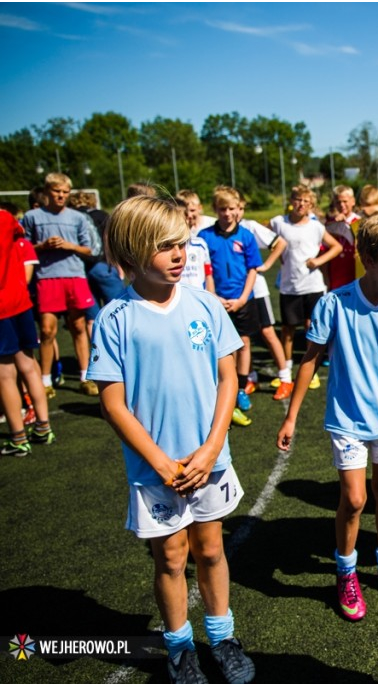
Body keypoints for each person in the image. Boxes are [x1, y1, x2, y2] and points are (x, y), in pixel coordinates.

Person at [88, 196, 255, 684]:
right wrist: (162, 463)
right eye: (166, 247)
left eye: (182, 243)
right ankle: (180, 647)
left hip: (210, 461)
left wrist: (208, 450)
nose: (180, 254)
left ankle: (222, 638)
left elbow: (229, 380)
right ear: (134, 251)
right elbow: (113, 403)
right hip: (155, 469)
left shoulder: (204, 303)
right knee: (171, 557)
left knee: (210, 550)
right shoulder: (115, 317)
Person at [276, 212, 378, 622]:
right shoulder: (334, 304)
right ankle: (345, 571)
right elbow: (309, 361)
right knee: (355, 499)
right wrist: (291, 418)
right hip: (346, 420)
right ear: (370, 258)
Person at [20, 173, 98, 398]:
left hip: (74, 276)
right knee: (46, 330)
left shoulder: (77, 217)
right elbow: (23, 248)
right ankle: (45, 380)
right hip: (47, 277)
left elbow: (88, 249)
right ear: (47, 192)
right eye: (57, 192)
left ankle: (86, 377)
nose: (61, 196)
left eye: (65, 192)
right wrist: (42, 246)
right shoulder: (32, 216)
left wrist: (69, 246)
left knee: (78, 327)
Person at [198, 187, 263, 427]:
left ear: (238, 209)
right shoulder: (205, 236)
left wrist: (244, 298)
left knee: (244, 343)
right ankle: (226, 386)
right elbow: (207, 271)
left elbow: (252, 269)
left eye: (231, 208)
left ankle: (242, 387)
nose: (227, 213)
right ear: (215, 210)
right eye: (222, 209)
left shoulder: (245, 236)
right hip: (217, 301)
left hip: (242, 299)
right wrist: (213, 295)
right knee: (222, 348)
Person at [270, 185, 342, 396]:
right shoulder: (278, 223)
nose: (301, 204)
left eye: (305, 201)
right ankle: (286, 371)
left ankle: (310, 370)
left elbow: (336, 246)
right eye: (297, 199)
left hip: (312, 285)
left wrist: (319, 260)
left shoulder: (316, 226)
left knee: (312, 328)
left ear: (311, 204)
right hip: (289, 286)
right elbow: (265, 240)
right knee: (288, 329)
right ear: (291, 200)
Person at [1, 209, 53, 455]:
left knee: (5, 374)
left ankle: (18, 436)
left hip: (2, 309)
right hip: (20, 301)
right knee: (28, 364)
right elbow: (19, 234)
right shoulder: (5, 218)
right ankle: (43, 425)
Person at [235, 194, 291, 398]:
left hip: (256, 290)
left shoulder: (249, 227)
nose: (235, 213)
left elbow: (280, 243)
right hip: (234, 293)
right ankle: (250, 377)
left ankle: (285, 377)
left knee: (267, 332)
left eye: (239, 208)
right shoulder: (216, 230)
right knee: (243, 339)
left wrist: (266, 265)